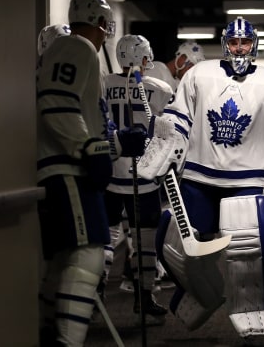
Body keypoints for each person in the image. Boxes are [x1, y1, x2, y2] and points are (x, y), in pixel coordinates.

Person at [142, 16, 264, 338]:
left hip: (246, 178)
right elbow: (179, 117)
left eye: (245, 42)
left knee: (246, 254)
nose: (239, 48)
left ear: (254, 44)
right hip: (199, 175)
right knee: (173, 244)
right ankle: (203, 293)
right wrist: (165, 143)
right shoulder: (199, 73)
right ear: (225, 43)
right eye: (234, 42)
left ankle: (254, 319)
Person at [35, 0, 148, 347]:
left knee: (65, 258)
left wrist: (116, 143)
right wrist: (87, 147)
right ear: (101, 23)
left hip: (67, 166)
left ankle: (46, 330)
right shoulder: (78, 47)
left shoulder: (83, 56)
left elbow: (85, 119)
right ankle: (66, 340)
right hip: (67, 170)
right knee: (90, 252)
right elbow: (56, 103)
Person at [101, 34, 174, 323]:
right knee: (144, 238)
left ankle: (96, 291)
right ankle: (144, 296)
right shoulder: (160, 88)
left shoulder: (104, 84)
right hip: (143, 172)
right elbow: (168, 130)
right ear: (143, 58)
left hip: (109, 169)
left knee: (107, 235)